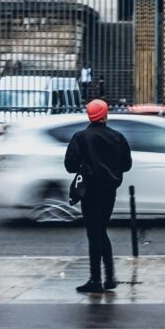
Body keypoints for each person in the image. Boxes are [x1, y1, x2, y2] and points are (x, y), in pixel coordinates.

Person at [64, 98, 131, 294]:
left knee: (94, 233)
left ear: (90, 116)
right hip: (109, 190)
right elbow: (127, 164)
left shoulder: (81, 137)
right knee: (101, 230)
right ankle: (109, 277)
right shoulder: (118, 137)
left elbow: (70, 166)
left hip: (89, 191)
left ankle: (96, 279)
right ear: (105, 115)